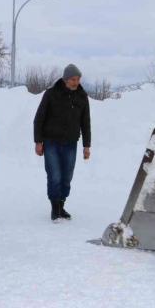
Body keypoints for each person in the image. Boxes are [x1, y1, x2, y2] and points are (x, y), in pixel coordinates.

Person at [33, 64, 91, 222]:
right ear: (66, 79)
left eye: (78, 79)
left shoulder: (82, 96)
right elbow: (39, 118)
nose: (76, 82)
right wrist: (38, 141)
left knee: (67, 177)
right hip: (51, 142)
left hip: (71, 143)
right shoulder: (51, 94)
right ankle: (54, 207)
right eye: (73, 79)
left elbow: (85, 122)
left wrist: (87, 145)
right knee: (54, 176)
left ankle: (61, 205)